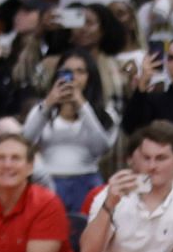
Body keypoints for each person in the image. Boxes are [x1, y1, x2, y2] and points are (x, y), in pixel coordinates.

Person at [82, 121, 173, 252]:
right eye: (146, 157)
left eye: (161, 158)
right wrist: (108, 206)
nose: (152, 166)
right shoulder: (110, 196)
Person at [23, 49, 119, 211]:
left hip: (87, 181)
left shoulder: (105, 112)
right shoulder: (43, 108)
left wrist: (82, 106)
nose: (73, 77)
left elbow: (100, 148)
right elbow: (25, 140)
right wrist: (48, 104)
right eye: (67, 72)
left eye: (80, 71)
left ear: (91, 77)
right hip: (48, 183)